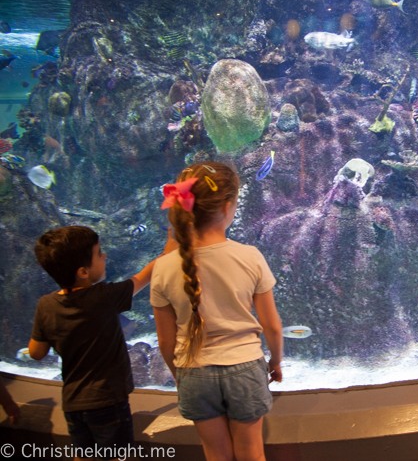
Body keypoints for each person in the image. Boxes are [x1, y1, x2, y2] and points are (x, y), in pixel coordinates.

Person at [151, 161, 283, 461]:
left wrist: (179, 375)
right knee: (251, 451)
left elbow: (166, 342)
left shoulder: (162, 267)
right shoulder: (250, 257)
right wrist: (275, 362)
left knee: (215, 453)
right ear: (227, 207)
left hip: (193, 372)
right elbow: (272, 325)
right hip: (246, 368)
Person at [29, 225, 176, 460]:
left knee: (83, 454)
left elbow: (36, 352)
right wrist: (167, 251)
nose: (105, 256)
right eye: (99, 253)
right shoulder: (104, 297)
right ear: (83, 272)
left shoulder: (45, 305)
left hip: (73, 402)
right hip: (109, 401)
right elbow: (143, 277)